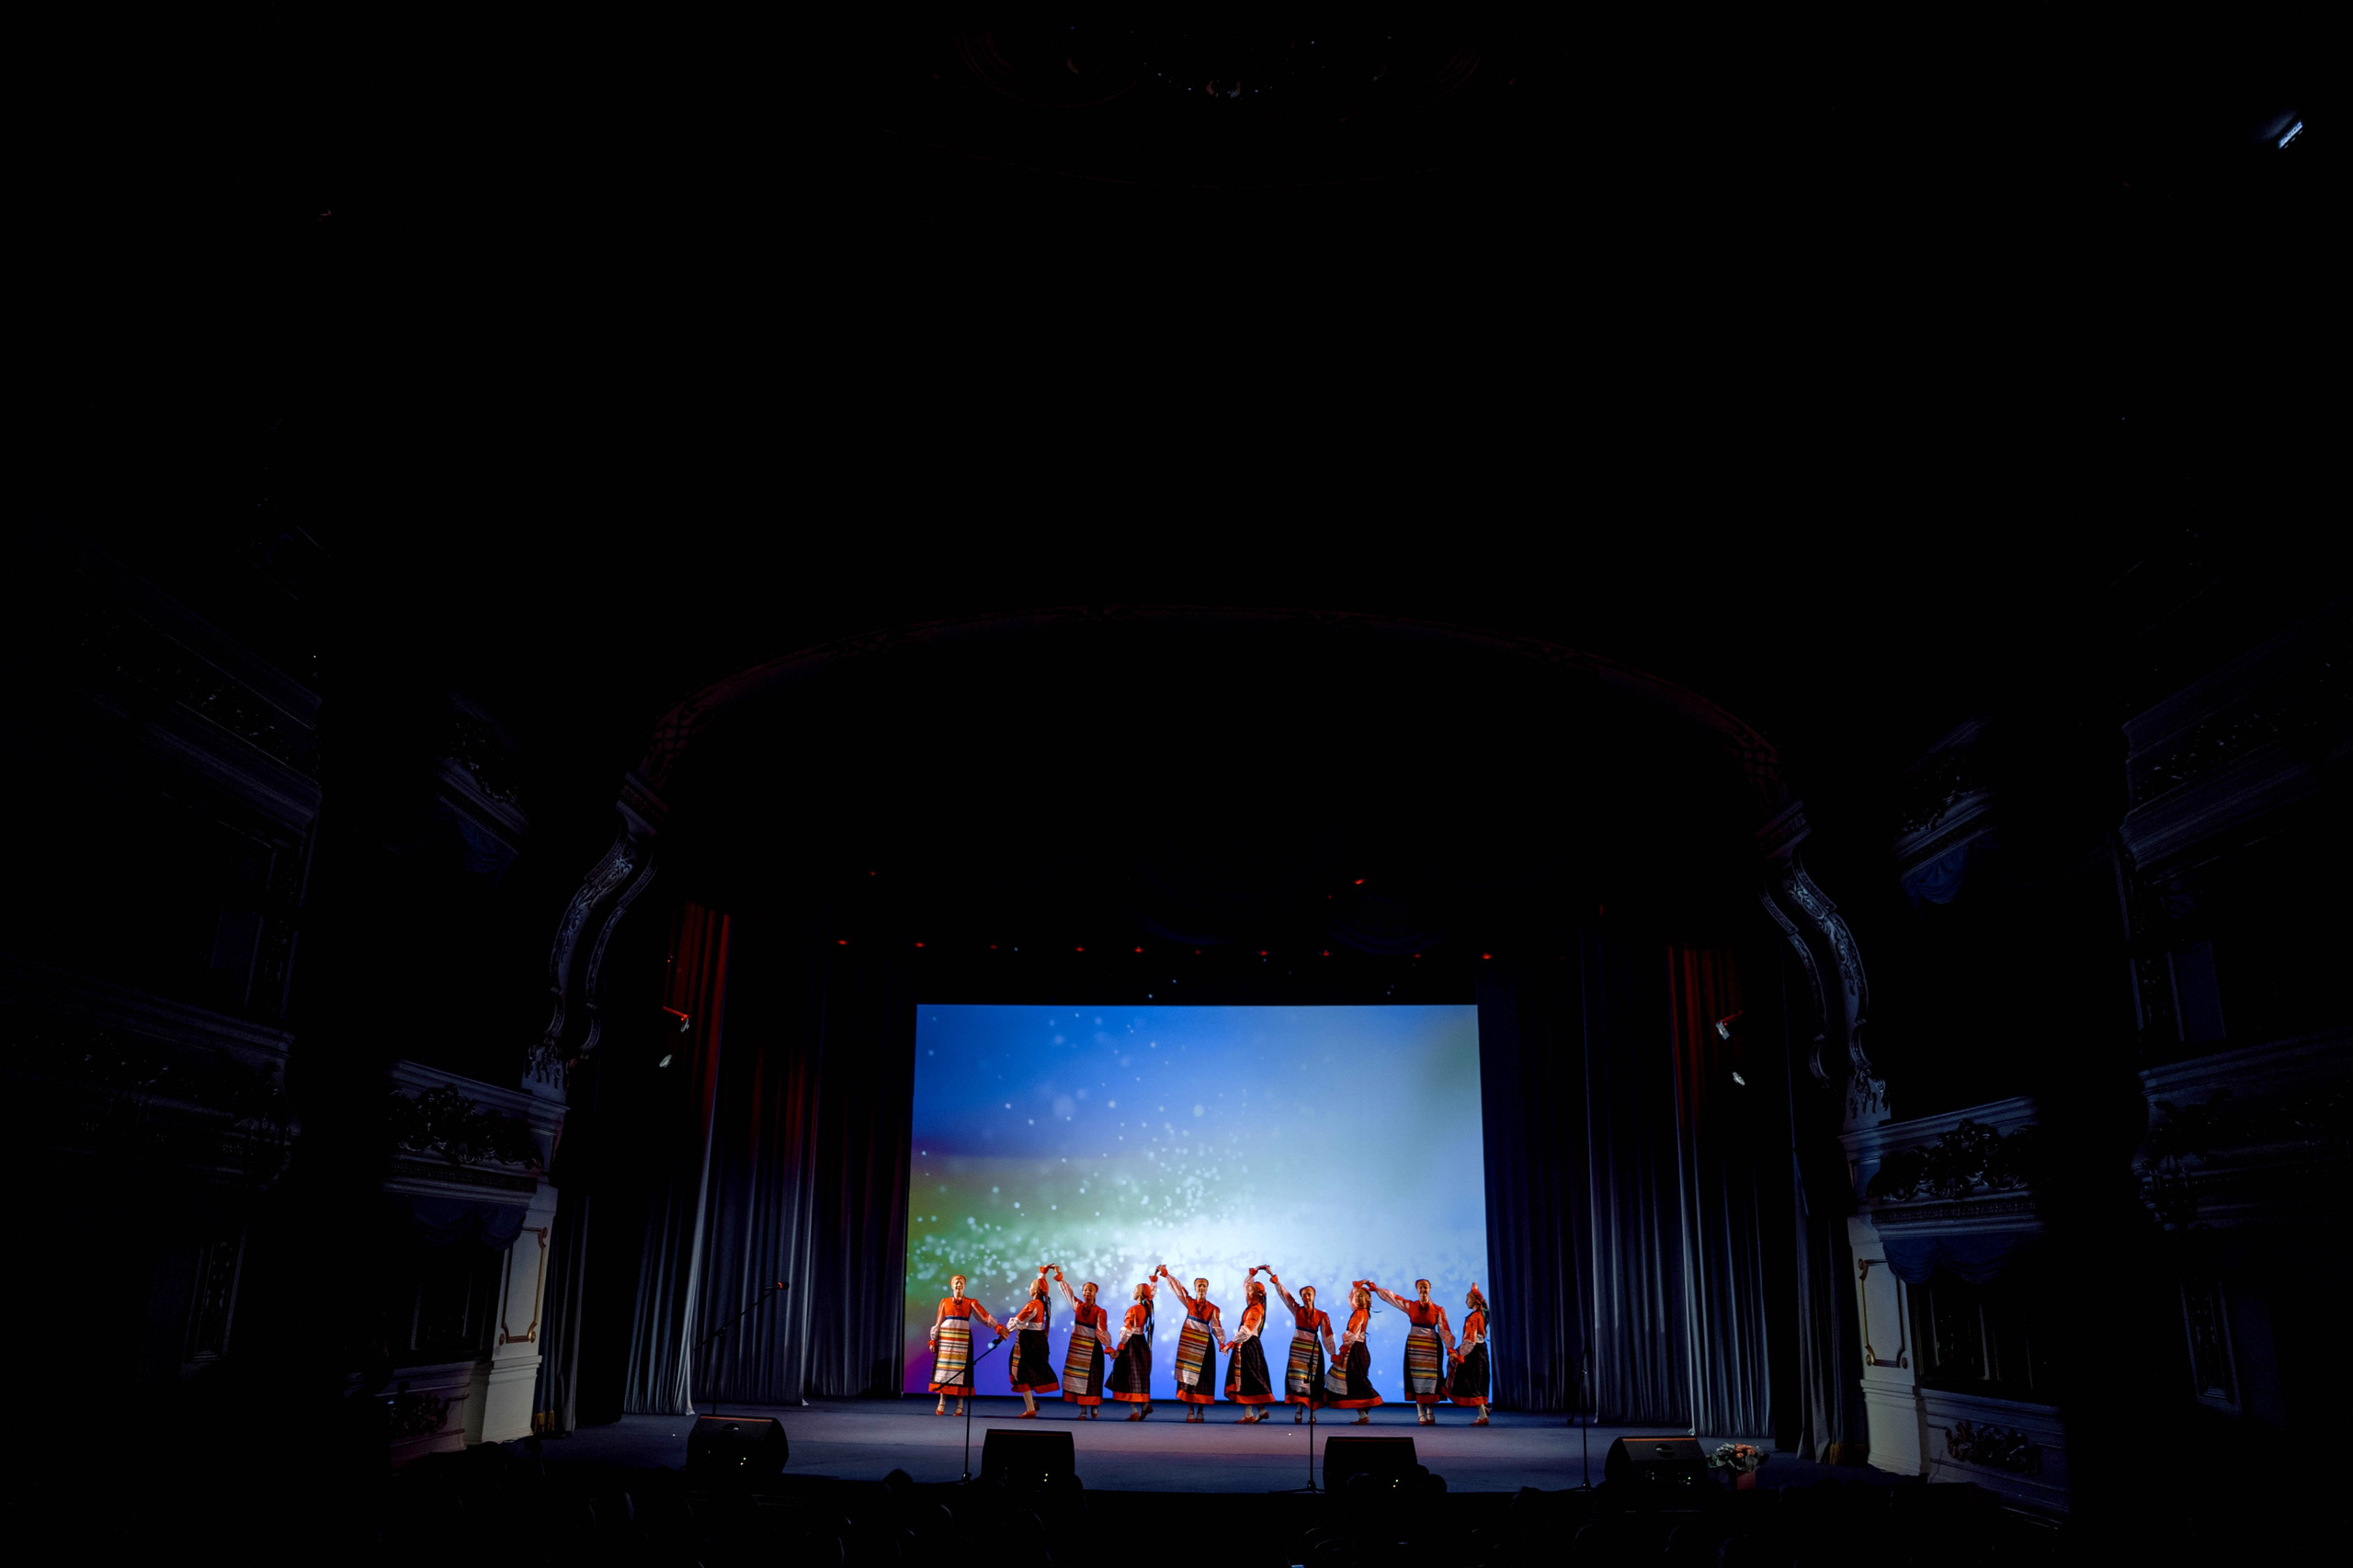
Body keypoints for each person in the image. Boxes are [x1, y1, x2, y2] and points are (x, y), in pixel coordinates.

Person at [1365, 1278, 1455, 1425]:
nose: (1423, 1290)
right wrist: (1376, 1290)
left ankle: (1430, 1411)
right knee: (1416, 1378)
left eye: (1425, 1287)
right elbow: (1393, 1298)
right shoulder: (1411, 1306)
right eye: (1420, 1287)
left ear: (1430, 1289)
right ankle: (1420, 1412)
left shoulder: (1438, 1309)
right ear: (1417, 1290)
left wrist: (1450, 1348)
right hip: (1415, 1347)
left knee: (1432, 1378)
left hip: (1431, 1347)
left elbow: (1444, 1329)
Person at [927, 1274, 1006, 1416]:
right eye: (956, 1283)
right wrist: (934, 1339)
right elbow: (938, 1321)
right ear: (951, 1285)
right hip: (946, 1340)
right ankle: (942, 1402)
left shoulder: (970, 1302)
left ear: (965, 1285)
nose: (959, 1285)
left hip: (962, 1340)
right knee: (944, 1370)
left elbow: (984, 1316)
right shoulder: (945, 1302)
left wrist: (997, 1327)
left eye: (961, 1283)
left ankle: (959, 1405)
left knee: (961, 1371)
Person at [1267, 1267, 1336, 1425]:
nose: (1306, 1297)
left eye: (1309, 1294)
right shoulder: (1297, 1310)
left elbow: (1327, 1333)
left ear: (1314, 1296)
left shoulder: (1321, 1315)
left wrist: (1332, 1352)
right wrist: (1276, 1281)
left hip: (1313, 1350)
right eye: (1304, 1295)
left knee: (1312, 1381)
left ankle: (1311, 1413)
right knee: (1298, 1381)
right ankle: (1298, 1410)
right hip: (1298, 1350)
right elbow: (1286, 1297)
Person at [1156, 1266, 1223, 1422]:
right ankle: (1190, 1410)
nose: (1201, 1287)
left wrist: (1221, 1342)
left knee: (1203, 1377)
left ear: (1207, 1288)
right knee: (1188, 1377)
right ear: (1195, 1288)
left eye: (1204, 1285)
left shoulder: (1213, 1308)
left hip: (1205, 1345)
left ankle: (1201, 1411)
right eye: (1199, 1285)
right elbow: (1178, 1290)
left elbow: (1216, 1326)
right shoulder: (1190, 1302)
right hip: (1189, 1344)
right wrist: (1167, 1276)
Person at [1051, 1267, 1112, 1417]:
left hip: (1092, 1348)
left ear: (1095, 1293)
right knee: (1079, 1380)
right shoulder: (1078, 1306)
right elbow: (1068, 1294)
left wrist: (1108, 1345)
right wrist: (1059, 1276)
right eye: (1085, 1290)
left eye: (1090, 1290)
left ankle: (1094, 1407)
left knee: (1093, 1378)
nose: (1087, 1292)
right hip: (1078, 1349)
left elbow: (1102, 1330)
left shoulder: (1100, 1311)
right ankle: (1083, 1410)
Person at [1002, 1267, 1061, 1416]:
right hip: (1038, 1340)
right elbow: (1043, 1285)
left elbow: (1018, 1321)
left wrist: (1005, 1331)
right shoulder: (1043, 1304)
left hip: (1028, 1342)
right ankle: (1030, 1404)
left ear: (1036, 1290)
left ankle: (1030, 1408)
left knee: (1022, 1372)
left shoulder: (1033, 1305)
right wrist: (1044, 1273)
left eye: (1031, 1286)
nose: (1029, 1288)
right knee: (1028, 1372)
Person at [1221, 1268, 1279, 1422]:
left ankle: (1250, 1413)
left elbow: (1246, 1330)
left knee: (1248, 1379)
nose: (1247, 1291)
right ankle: (1259, 1411)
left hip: (1248, 1345)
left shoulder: (1256, 1309)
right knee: (1250, 1378)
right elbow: (1246, 1285)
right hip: (1248, 1345)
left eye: (1251, 1290)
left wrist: (1231, 1344)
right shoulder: (1253, 1305)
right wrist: (1253, 1274)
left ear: (1257, 1294)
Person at [1325, 1282, 1384, 1421]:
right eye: (1356, 1297)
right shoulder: (1362, 1312)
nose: (1357, 1298)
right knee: (1354, 1381)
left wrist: (1344, 1349)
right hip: (1359, 1349)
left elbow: (1351, 1333)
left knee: (1354, 1381)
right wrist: (1357, 1286)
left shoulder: (1359, 1314)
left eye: (1361, 1297)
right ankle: (1363, 1414)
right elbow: (1351, 1300)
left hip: (1355, 1351)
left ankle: (1369, 1402)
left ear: (1367, 1300)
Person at [1108, 1278, 1156, 1420]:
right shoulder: (1147, 1308)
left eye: (1135, 1290)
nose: (1133, 1292)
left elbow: (1127, 1328)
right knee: (1138, 1377)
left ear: (1140, 1293)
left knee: (1128, 1376)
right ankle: (1144, 1405)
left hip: (1131, 1344)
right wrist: (1154, 1281)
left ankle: (1135, 1410)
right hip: (1141, 1343)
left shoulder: (1134, 1309)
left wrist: (1121, 1344)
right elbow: (1151, 1294)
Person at [1449, 1283, 1491, 1425]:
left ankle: (1482, 1415)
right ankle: (1483, 1409)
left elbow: (1470, 1340)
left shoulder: (1473, 1317)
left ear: (1474, 1301)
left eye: (1468, 1298)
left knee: (1472, 1382)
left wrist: (1459, 1354)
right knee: (1480, 1380)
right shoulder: (1482, 1314)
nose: (1466, 1301)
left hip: (1473, 1352)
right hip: (1482, 1349)